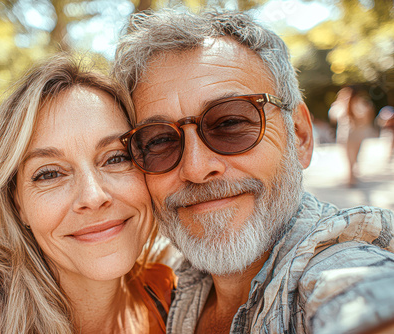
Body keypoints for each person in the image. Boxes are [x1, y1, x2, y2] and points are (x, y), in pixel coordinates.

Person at [112, 8, 394, 334]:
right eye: (159, 140)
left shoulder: (344, 268)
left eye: (231, 122)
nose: (196, 168)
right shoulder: (168, 278)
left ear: (300, 135)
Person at [0, 54, 175, 334]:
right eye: (50, 173)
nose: (93, 196)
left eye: (116, 158)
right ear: (18, 204)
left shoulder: (166, 291)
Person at [328, 86, 375, 186]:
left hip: (346, 133)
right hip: (356, 133)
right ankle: (352, 175)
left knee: (348, 155)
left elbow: (333, 117)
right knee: (354, 154)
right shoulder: (360, 104)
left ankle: (351, 176)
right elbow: (366, 119)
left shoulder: (340, 106)